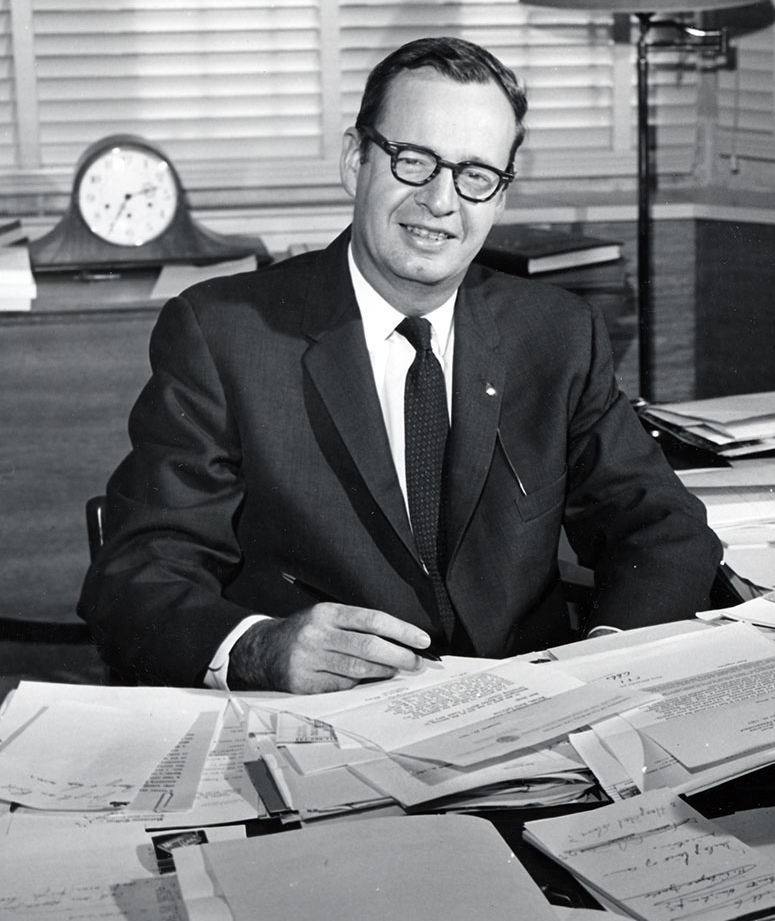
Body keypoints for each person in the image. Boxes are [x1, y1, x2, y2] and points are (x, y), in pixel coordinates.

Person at [78, 37, 722, 693]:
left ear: (500, 197)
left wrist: (607, 663)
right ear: (356, 161)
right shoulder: (225, 335)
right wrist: (261, 649)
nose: (442, 201)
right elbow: (139, 577)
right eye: (414, 161)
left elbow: (661, 525)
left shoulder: (554, 333)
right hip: (324, 731)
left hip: (527, 724)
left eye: (476, 176)